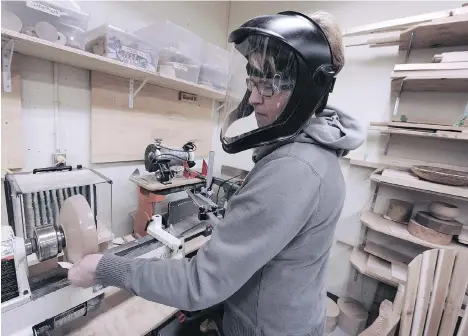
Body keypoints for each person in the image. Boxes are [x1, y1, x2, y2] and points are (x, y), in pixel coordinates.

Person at [69, 11, 365, 336]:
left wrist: (104, 267)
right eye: (252, 81)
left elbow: (199, 285)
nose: (253, 98)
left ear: (309, 89)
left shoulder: (294, 169)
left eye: (268, 85)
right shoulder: (320, 149)